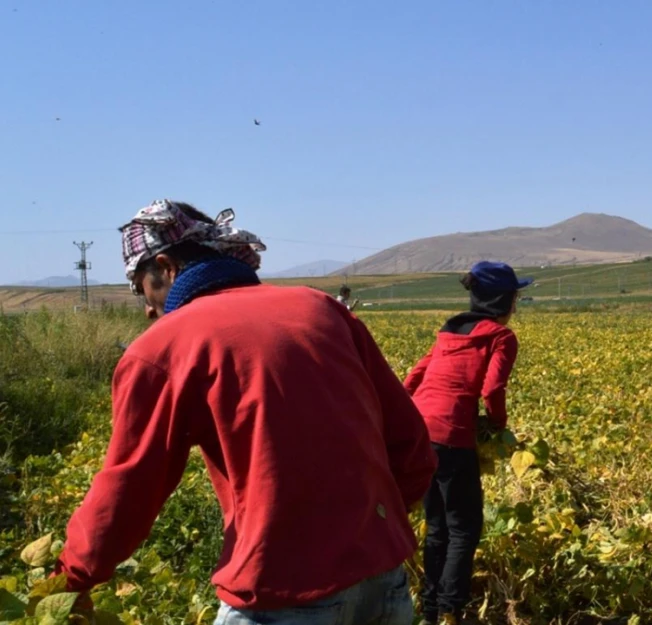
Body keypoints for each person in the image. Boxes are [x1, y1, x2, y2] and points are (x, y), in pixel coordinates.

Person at [56, 200, 436, 625]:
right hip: (383, 580)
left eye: (140, 288)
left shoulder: (164, 346)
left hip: (282, 593)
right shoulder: (320, 308)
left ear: (165, 267)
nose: (146, 308)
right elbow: (411, 443)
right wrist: (369, 528)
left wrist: (68, 578)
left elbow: (129, 488)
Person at [403, 261, 531, 625]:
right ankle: (449, 611)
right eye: (515, 297)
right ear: (504, 300)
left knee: (437, 525)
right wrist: (496, 426)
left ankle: (430, 611)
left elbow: (413, 378)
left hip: (421, 433)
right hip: (452, 434)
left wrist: (404, 419)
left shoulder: (448, 332)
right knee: (464, 527)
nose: (516, 305)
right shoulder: (500, 336)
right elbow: (492, 388)